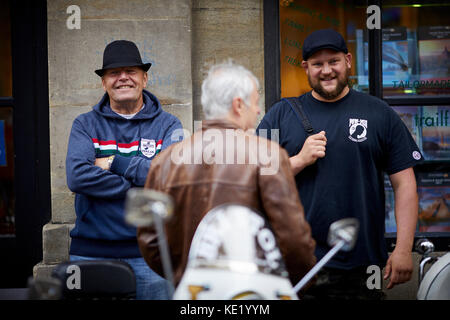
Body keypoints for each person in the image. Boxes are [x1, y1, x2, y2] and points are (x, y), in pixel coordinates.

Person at [257, 29, 422, 299]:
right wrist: (298, 160)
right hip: (295, 266)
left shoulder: (379, 113)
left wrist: (403, 249)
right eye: (317, 64)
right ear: (305, 68)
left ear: (348, 61)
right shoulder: (279, 115)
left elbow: (405, 183)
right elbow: (255, 178)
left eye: (333, 61)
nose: (326, 71)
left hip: (360, 268)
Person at [137, 61, 317, 293]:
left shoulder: (166, 160)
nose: (259, 110)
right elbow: (293, 241)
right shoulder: (268, 154)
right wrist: (290, 286)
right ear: (238, 105)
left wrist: (187, 277)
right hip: (253, 294)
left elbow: (151, 240)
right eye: (255, 102)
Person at [66, 40, 183, 300]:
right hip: (90, 251)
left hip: (151, 254)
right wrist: (141, 182)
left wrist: (112, 162)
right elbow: (77, 177)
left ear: (144, 78)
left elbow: (170, 179)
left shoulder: (168, 125)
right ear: (103, 82)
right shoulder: (85, 124)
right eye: (114, 73)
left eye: (130, 71)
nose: (123, 78)